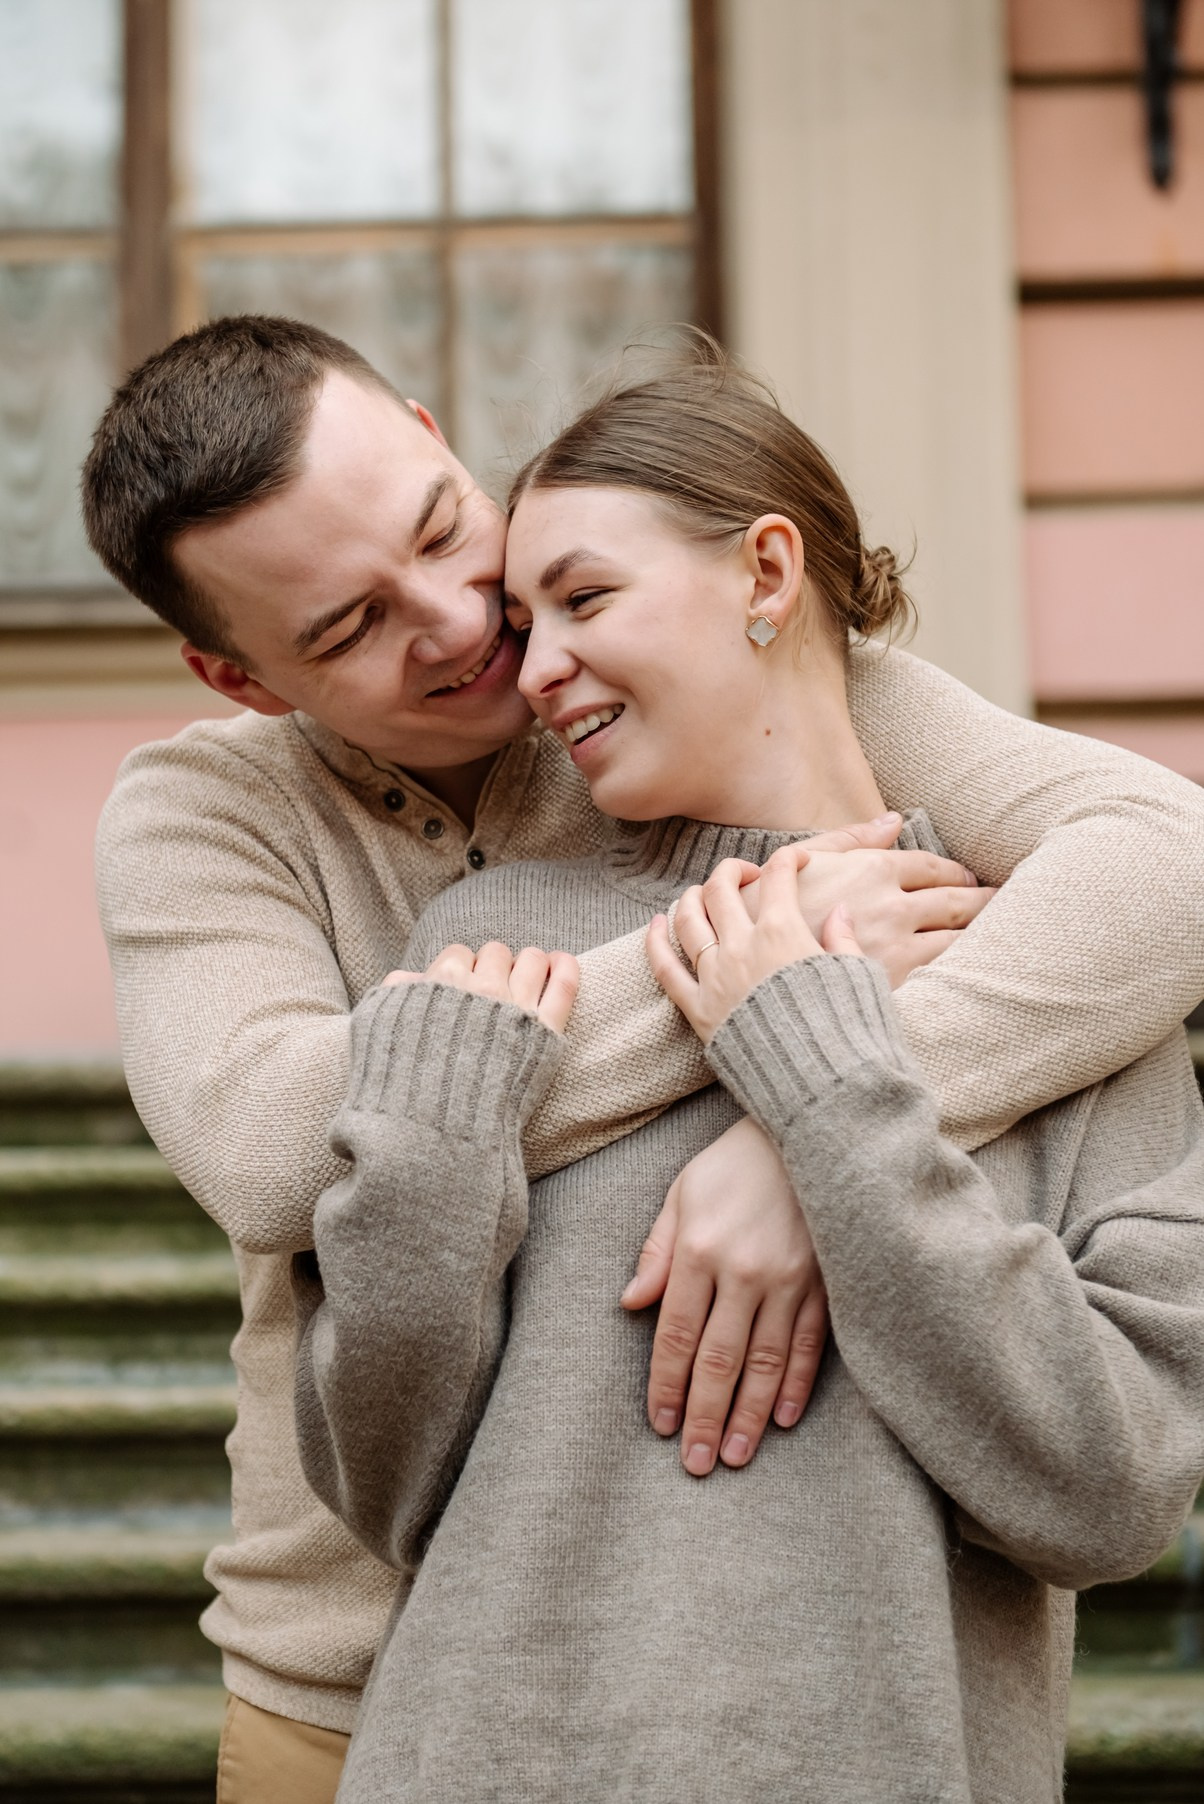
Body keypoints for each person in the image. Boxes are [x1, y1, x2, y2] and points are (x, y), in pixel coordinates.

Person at [83, 318, 1204, 1804]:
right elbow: (281, 1146)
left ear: (432, 431)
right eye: (349, 627)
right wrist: (762, 961)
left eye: (441, 526)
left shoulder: (692, 672)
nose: (467, 625)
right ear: (241, 677)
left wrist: (810, 1128)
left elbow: (1163, 862)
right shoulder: (203, 815)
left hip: (849, 1695)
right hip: (357, 1675)